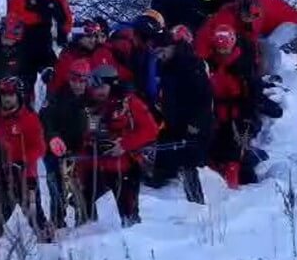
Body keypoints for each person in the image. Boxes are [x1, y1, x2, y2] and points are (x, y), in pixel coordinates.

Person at [79, 65, 158, 227]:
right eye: (95, 88)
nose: (97, 91)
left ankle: (133, 240)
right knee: (82, 200)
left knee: (128, 213)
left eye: (101, 87)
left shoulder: (130, 103)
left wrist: (124, 144)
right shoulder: (94, 104)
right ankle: (89, 234)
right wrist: (91, 141)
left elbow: (151, 129)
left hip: (126, 167)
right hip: (99, 166)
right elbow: (91, 130)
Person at [195, 0, 297, 77]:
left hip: (293, 23)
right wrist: (202, 59)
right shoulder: (233, 9)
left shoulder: (257, 4)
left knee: (266, 46)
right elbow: (208, 33)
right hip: (274, 24)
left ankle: (268, 75)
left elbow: (252, 39)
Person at [148, 29, 213, 204]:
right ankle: (161, 199)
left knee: (188, 163)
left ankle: (197, 204)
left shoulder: (191, 64)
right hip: (173, 122)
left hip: (194, 124)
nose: (160, 56)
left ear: (171, 47)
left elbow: (204, 98)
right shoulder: (167, 66)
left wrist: (196, 124)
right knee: (164, 158)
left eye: (162, 51)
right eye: (157, 53)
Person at [204, 25, 263, 189]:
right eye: (219, 49)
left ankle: (232, 189)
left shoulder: (243, 66)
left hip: (237, 117)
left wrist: (247, 119)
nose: (222, 53)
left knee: (234, 153)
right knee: (212, 150)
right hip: (215, 115)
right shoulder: (210, 64)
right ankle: (216, 184)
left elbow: (253, 95)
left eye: (225, 50)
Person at [0, 76, 50, 238]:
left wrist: (23, 160)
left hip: (25, 175)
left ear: (18, 96)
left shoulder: (29, 118)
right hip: (1, 175)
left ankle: (47, 243)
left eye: (11, 95)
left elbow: (39, 147)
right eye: (4, 95)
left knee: (34, 214)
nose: (7, 98)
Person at [7, 0, 74, 93]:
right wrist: (40, 15)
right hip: (21, 41)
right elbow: (15, 14)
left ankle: (51, 100)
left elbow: (66, 16)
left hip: (44, 41)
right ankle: (26, 101)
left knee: (56, 74)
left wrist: (64, 32)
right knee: (23, 81)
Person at [40, 59, 91, 228]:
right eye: (75, 80)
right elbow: (45, 121)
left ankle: (84, 223)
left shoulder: (91, 99)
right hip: (55, 152)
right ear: (69, 79)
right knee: (57, 190)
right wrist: (53, 137)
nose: (78, 85)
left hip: (80, 153)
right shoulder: (56, 98)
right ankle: (57, 223)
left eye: (83, 80)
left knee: (82, 189)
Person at [47, 19, 115, 95]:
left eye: (94, 37)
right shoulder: (65, 55)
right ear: (78, 37)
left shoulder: (97, 56)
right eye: (88, 36)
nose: (93, 40)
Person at [107, 10, 165, 96]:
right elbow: (149, 85)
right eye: (153, 37)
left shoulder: (118, 34)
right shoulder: (140, 51)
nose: (152, 43)